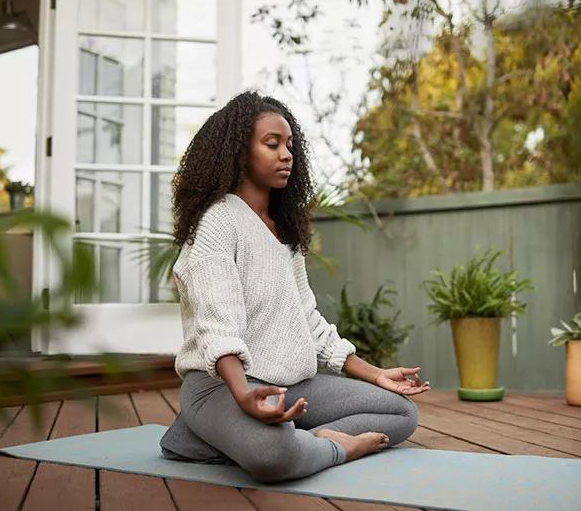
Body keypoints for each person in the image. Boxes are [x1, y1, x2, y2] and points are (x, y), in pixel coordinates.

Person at [159, 90, 430, 483]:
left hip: (292, 383)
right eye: (272, 144)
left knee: (401, 413)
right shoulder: (217, 223)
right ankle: (330, 446)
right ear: (237, 151)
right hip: (221, 386)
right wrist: (243, 398)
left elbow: (308, 321)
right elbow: (217, 328)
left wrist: (374, 374)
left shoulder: (283, 231)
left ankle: (242, 439)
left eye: (289, 145)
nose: (286, 154)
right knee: (274, 454)